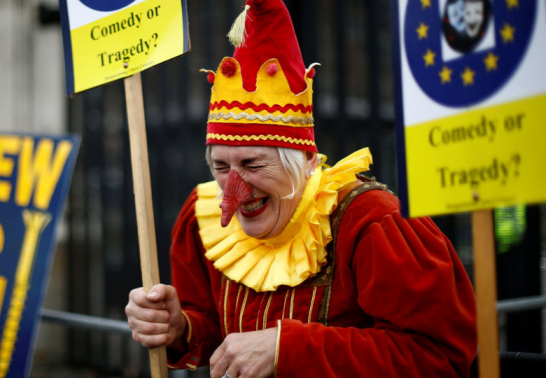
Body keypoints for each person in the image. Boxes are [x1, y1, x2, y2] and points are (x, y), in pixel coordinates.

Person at [125, 0, 478, 377]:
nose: (233, 193)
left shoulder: (371, 220)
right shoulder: (203, 217)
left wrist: (288, 348)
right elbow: (215, 332)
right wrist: (181, 328)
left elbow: (437, 356)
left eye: (253, 164)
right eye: (221, 167)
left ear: (307, 162)